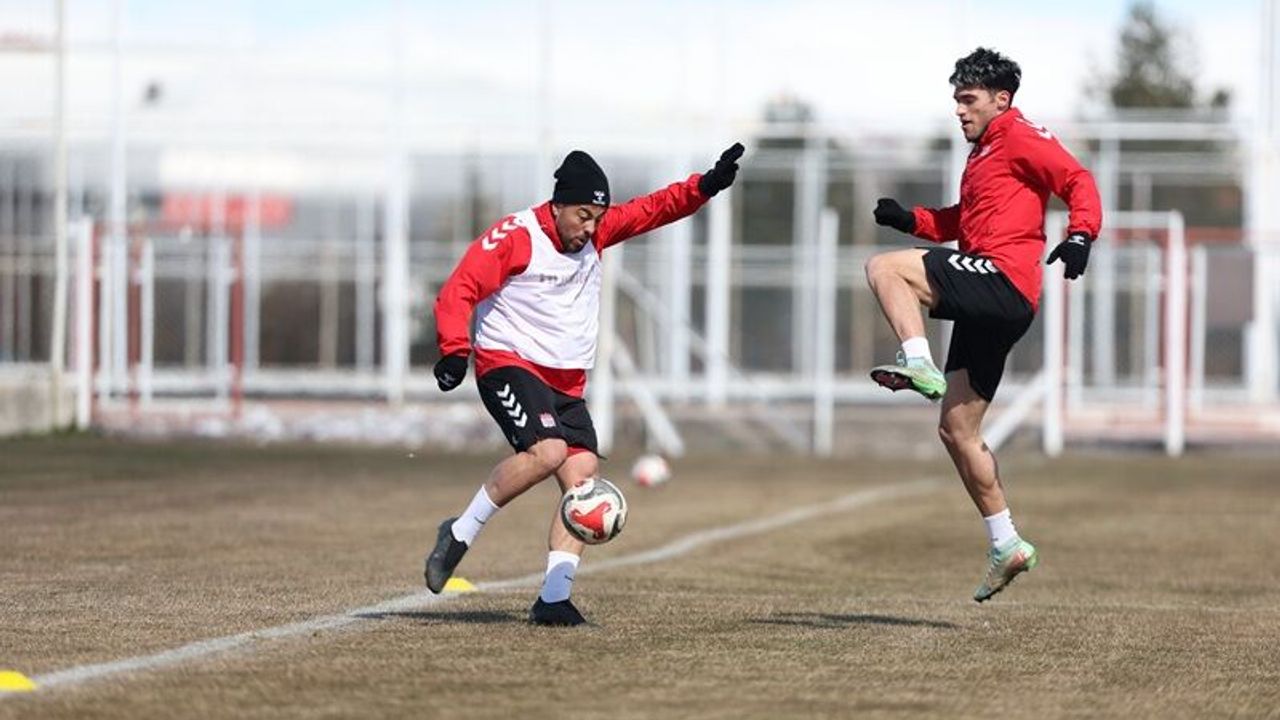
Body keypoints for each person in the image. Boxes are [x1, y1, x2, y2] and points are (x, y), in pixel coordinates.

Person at [426, 143, 745, 625]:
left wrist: (705, 186)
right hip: (509, 363)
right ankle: (459, 533)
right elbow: (460, 288)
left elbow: (653, 209)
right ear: (557, 206)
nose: (591, 228)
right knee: (548, 452)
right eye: (582, 216)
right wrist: (454, 350)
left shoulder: (596, 232)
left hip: (567, 379)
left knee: (582, 478)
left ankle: (553, 599)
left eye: (597, 218)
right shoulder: (516, 237)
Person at [865, 47, 1102, 602]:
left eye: (968, 99)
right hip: (992, 295)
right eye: (956, 99)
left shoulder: (1019, 136)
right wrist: (910, 219)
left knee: (883, 269)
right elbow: (963, 221)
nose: (959, 109)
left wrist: (1081, 234)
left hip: (1003, 281)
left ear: (1001, 99)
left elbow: (1077, 179)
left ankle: (917, 363)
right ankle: (1006, 542)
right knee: (957, 430)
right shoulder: (984, 152)